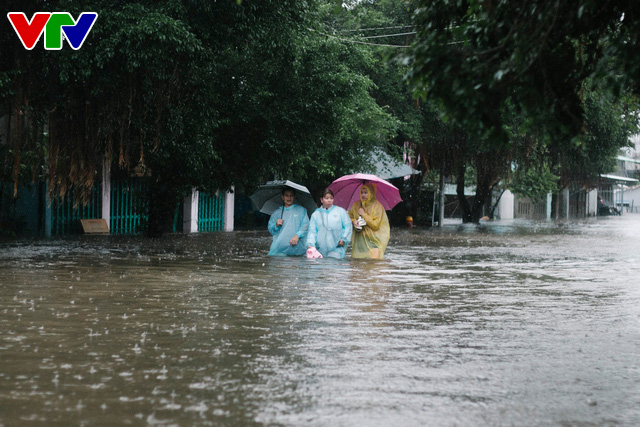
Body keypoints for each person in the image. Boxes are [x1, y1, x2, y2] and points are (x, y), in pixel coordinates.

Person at [348, 183, 390, 259]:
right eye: (361, 192)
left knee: (373, 263)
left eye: (365, 192)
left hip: (373, 240)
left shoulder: (377, 206)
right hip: (360, 240)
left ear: (371, 193)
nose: (363, 195)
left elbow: (375, 225)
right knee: (359, 264)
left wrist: (364, 214)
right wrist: (354, 221)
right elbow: (349, 217)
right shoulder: (356, 205)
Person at [307, 188, 352, 259]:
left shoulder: (340, 212)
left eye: (331, 198)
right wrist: (311, 244)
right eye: (326, 198)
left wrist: (344, 239)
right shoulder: (316, 214)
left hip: (337, 247)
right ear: (321, 200)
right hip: (319, 249)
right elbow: (312, 231)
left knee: (335, 266)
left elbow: (348, 226)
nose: (329, 200)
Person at [267, 188, 309, 256]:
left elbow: (305, 226)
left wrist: (297, 236)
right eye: (286, 195)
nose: (289, 198)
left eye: (291, 195)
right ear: (282, 197)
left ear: (294, 197)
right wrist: (276, 225)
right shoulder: (277, 213)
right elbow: (271, 230)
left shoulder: (301, 210)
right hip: (280, 250)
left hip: (298, 250)